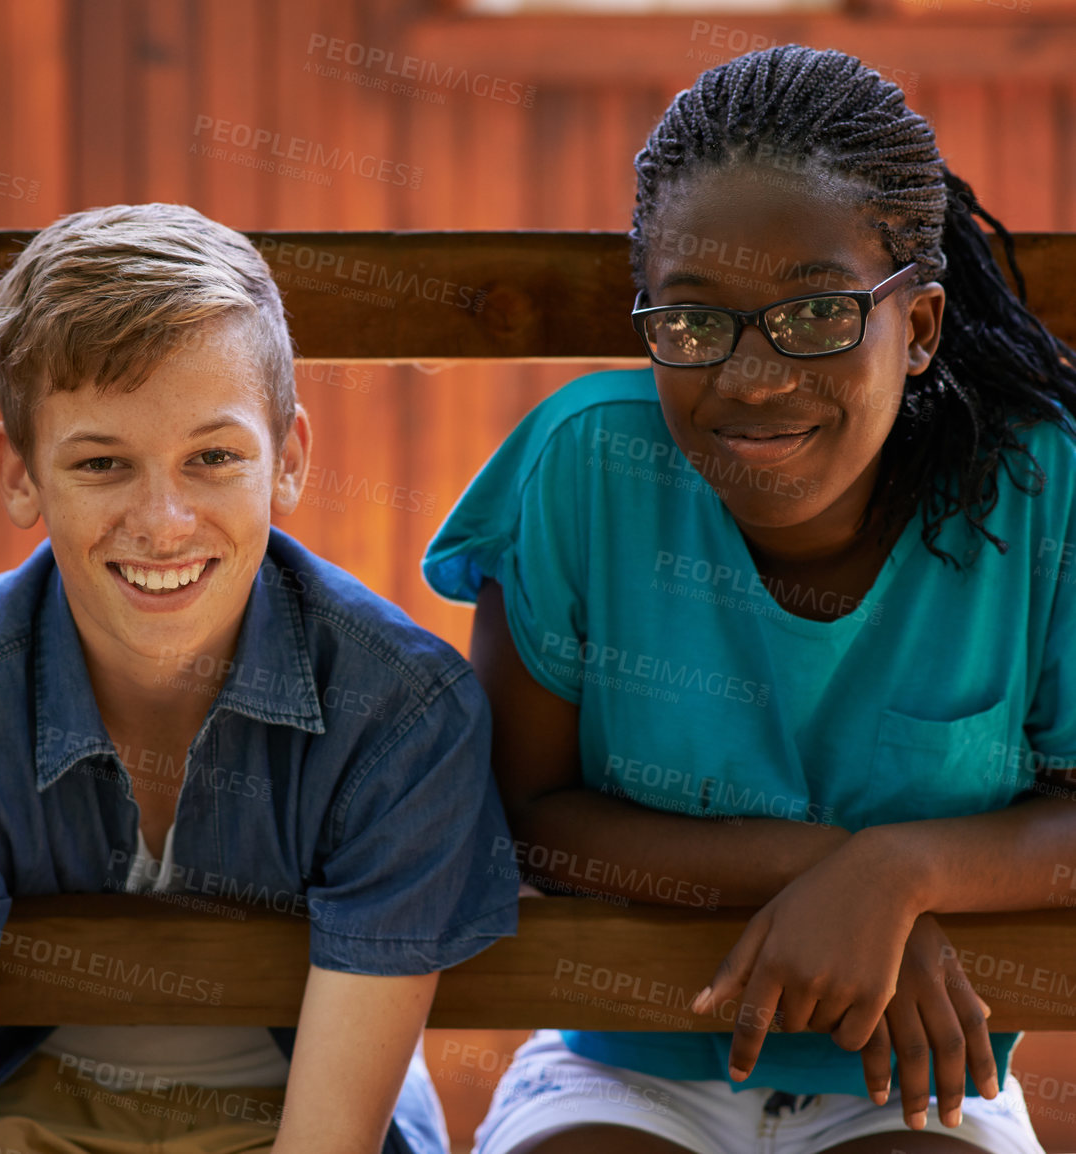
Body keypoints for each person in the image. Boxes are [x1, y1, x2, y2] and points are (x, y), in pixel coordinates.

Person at [423, 45, 1076, 1154]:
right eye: (693, 322)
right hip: (622, 1060)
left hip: (919, 1082)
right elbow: (530, 817)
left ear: (915, 329)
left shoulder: (1039, 486)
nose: (753, 375)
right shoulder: (588, 468)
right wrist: (825, 868)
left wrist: (901, 871)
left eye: (818, 312)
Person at [0, 202, 516, 1154]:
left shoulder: (402, 714)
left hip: (289, 1115)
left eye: (212, 458)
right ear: (21, 474)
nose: (162, 522)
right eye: (102, 463)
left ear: (288, 461)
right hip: (23, 1104)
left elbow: (327, 1145)